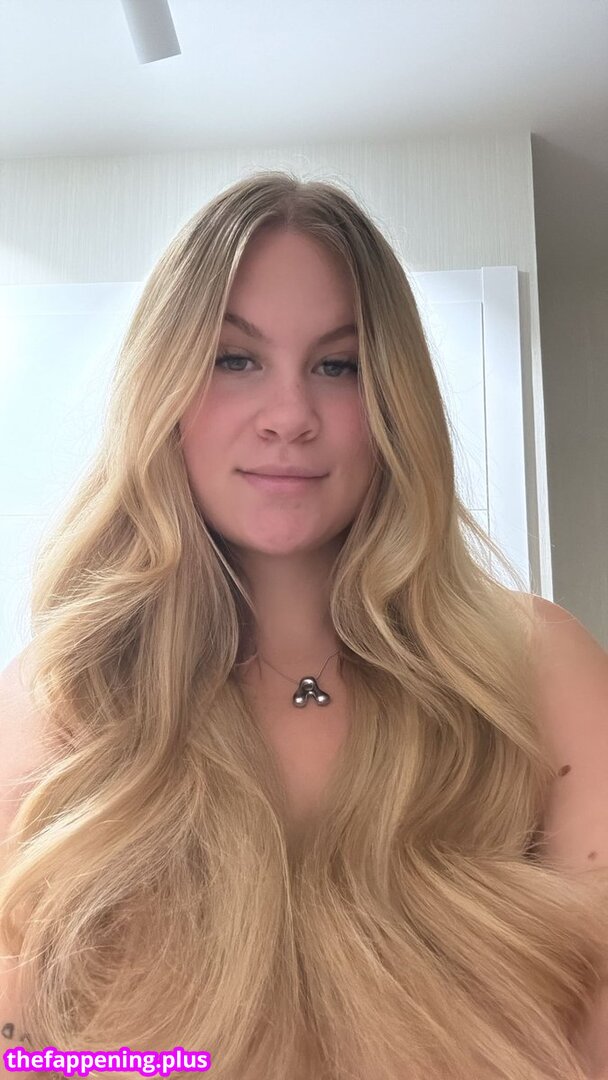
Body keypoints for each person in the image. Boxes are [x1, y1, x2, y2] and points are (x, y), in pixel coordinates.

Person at [1, 171, 607, 1080]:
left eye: (338, 366)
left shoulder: (536, 668)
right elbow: (25, 1047)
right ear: (162, 390)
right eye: (234, 359)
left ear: (394, 399)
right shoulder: (62, 694)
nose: (289, 417)